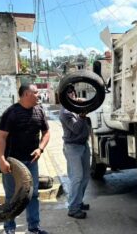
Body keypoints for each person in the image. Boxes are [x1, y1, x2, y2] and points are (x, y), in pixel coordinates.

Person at [0, 83, 50, 234]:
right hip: (12, 163)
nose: (39, 95)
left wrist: (40, 148)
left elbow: (46, 132)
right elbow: (1, 137)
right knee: (11, 196)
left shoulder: (39, 111)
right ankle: (9, 228)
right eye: (36, 92)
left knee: (33, 195)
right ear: (26, 94)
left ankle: (34, 227)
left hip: (31, 161)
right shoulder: (10, 113)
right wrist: (1, 158)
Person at [59, 85, 90, 219]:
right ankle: (73, 208)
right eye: (68, 93)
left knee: (85, 176)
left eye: (72, 92)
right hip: (73, 147)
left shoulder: (76, 106)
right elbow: (76, 129)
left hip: (83, 145)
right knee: (77, 177)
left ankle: (78, 202)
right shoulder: (66, 112)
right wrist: (82, 117)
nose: (71, 94)